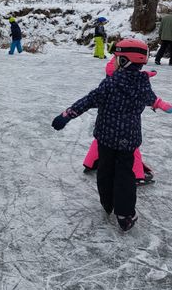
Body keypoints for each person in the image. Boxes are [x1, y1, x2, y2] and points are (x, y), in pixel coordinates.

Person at [52, 39, 172, 231]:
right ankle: (124, 215)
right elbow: (153, 100)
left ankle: (107, 204)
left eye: (116, 58)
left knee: (105, 171)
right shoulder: (142, 83)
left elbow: (88, 100)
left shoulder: (110, 83)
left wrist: (66, 115)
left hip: (106, 137)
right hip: (128, 139)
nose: (114, 61)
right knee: (125, 176)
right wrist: (165, 107)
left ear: (124, 61)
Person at [83, 41, 156, 185]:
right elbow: (123, 78)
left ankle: (90, 162)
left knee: (102, 138)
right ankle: (137, 175)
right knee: (130, 146)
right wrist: (142, 76)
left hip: (108, 113)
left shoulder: (115, 61)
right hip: (125, 117)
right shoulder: (121, 66)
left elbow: (114, 73)